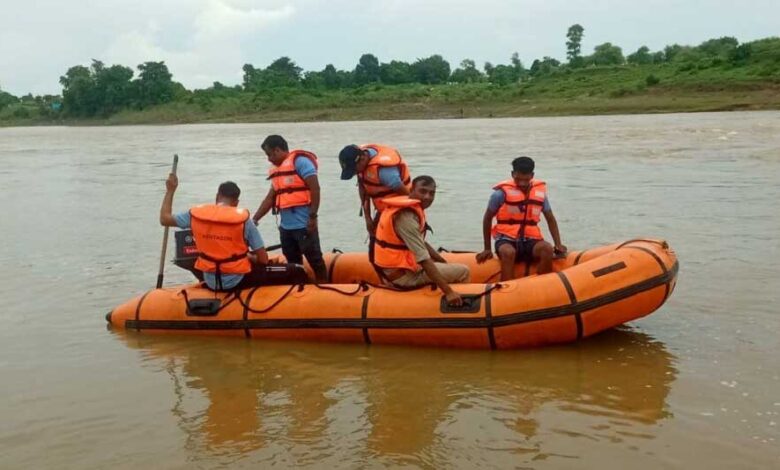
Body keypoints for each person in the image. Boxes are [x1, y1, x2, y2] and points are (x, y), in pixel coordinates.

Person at [159, 176, 307, 291]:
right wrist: (249, 257)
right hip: (237, 280)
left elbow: (164, 219)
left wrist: (170, 190)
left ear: (217, 197)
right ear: (236, 202)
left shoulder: (195, 215)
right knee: (297, 270)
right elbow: (263, 259)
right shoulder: (244, 220)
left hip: (210, 280)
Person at [374, 175, 470, 306]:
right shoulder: (406, 218)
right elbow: (423, 258)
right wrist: (448, 292)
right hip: (405, 276)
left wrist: (442, 262)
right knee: (463, 271)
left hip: (397, 269)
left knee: (445, 267)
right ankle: (457, 307)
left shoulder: (409, 209)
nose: (427, 197)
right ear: (411, 190)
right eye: (423, 191)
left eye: (432, 193)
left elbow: (420, 242)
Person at [476, 156, 567, 280]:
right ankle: (507, 287)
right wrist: (487, 248)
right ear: (513, 174)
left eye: (526, 179)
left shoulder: (540, 194)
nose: (522, 183)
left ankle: (543, 285)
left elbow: (550, 219)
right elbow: (487, 218)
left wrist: (558, 244)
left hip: (531, 241)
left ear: (532, 175)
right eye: (518, 179)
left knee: (547, 249)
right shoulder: (500, 194)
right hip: (506, 239)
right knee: (509, 252)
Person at [252, 135, 328, 283]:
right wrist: (254, 220)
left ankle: (324, 286)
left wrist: (313, 216)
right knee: (293, 262)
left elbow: (315, 188)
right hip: (286, 227)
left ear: (277, 150)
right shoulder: (277, 171)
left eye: (269, 154)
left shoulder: (301, 162)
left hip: (304, 224)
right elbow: (269, 199)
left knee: (315, 260)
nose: (269, 159)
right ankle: (300, 287)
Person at [338, 143, 412, 234]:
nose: (354, 173)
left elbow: (408, 196)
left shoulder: (385, 172)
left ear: (362, 159)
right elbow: (363, 189)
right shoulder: (361, 164)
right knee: (375, 237)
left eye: (354, 170)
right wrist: (368, 218)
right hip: (383, 210)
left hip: (399, 211)